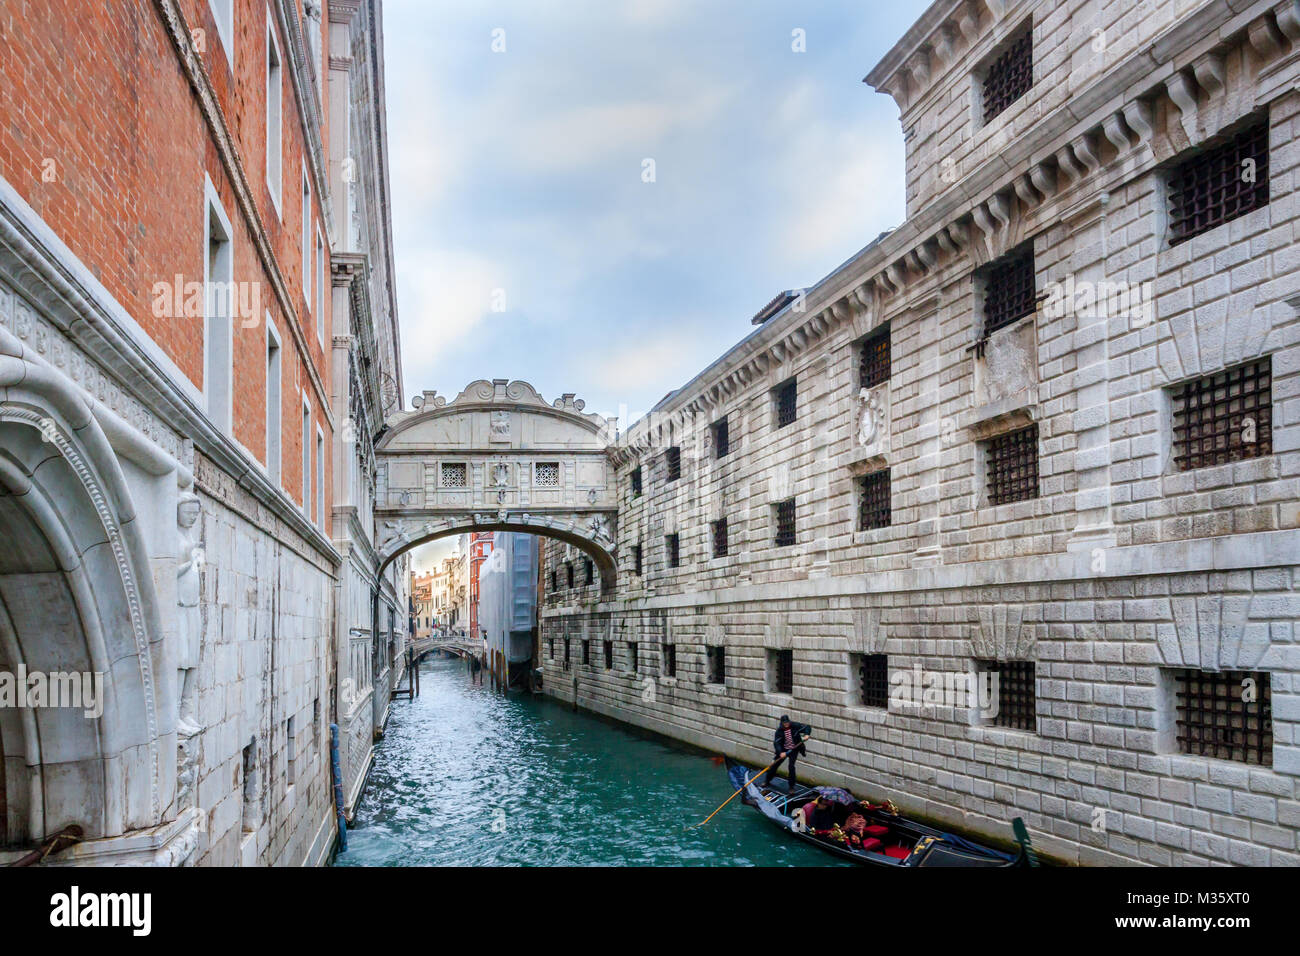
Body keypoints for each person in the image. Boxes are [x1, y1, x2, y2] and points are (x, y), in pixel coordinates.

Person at [763, 714, 811, 793]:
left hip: (794, 749)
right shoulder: (779, 731)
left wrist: (807, 734)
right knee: (774, 765)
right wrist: (781, 752)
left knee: (791, 767)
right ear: (782, 723)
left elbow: (807, 727)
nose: (786, 724)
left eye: (787, 722)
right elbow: (777, 743)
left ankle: (791, 787)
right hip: (783, 750)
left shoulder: (795, 725)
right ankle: (767, 781)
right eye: (784, 723)